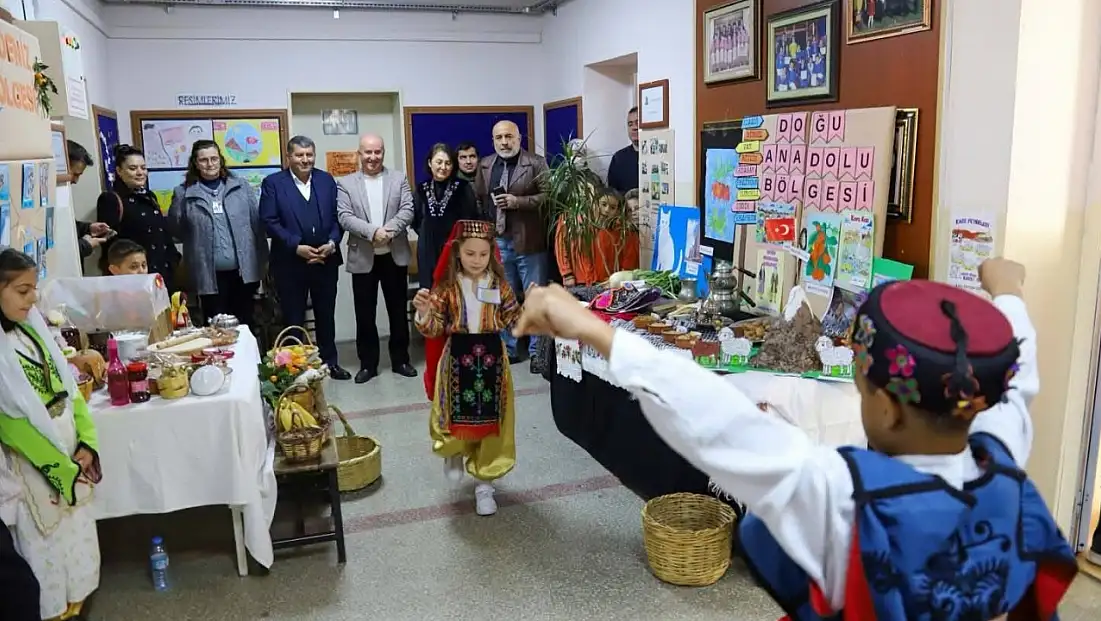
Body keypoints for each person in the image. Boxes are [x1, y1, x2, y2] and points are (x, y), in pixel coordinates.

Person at [514, 259, 1080, 619]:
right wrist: (1009, 291)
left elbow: (718, 418)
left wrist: (592, 328)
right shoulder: (1000, 458)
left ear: (883, 405)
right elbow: (1018, 377)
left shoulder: (846, 498)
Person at [0, 249, 103, 621]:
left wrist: (86, 441)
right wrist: (58, 467)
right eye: (23, 291)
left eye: (34, 289)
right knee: (47, 545)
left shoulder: (32, 330)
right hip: (35, 465)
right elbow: (7, 421)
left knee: (76, 538)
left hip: (69, 448)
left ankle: (78, 604)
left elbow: (68, 387)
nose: (33, 299)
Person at [413, 220, 521, 517]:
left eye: (483, 255)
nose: (477, 260)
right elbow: (434, 329)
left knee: (493, 422)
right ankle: (454, 452)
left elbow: (515, 320)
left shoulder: (500, 286)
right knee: (453, 413)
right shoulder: (447, 289)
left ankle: (485, 484)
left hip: (493, 361)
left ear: (492, 255)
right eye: (470, 254)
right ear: (458, 253)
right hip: (457, 359)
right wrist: (424, 313)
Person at [261, 136, 351, 380]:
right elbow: (269, 221)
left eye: (309, 155)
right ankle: (296, 368)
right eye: (299, 155)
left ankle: (329, 363)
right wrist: (296, 246)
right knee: (294, 317)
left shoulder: (326, 180)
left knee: (326, 315)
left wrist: (332, 243)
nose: (305, 160)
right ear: (289, 157)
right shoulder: (273, 184)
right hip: (290, 263)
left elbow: (337, 217)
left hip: (325, 260)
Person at [335, 134, 417, 383]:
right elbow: (344, 216)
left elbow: (408, 209)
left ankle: (401, 360)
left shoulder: (398, 178)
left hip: (395, 255)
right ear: (359, 154)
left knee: (397, 312)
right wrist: (373, 232)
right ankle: (368, 364)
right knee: (365, 314)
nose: (373, 157)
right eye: (367, 152)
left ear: (383, 152)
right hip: (363, 258)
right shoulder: (345, 183)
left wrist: (388, 231)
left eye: (377, 152)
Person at [473, 120, 550, 366]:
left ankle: (538, 351)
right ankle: (510, 347)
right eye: (499, 138)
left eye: (509, 137)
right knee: (504, 297)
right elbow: (479, 200)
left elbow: (550, 198)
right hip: (499, 242)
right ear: (493, 140)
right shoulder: (485, 165)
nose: (504, 142)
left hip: (530, 242)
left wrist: (518, 202)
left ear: (519, 138)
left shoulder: (536, 163)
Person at [168, 140, 268, 328]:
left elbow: (257, 226)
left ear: (221, 160)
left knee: (245, 323)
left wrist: (262, 263)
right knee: (215, 327)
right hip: (208, 275)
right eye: (203, 160)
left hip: (243, 273)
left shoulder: (241, 187)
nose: (210, 164)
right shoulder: (183, 193)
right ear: (195, 163)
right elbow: (176, 229)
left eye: (214, 158)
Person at [95, 145, 180, 291]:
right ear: (119, 171)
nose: (140, 173)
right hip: (135, 279)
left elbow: (162, 233)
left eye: (143, 167)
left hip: (162, 276)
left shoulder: (150, 196)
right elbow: (110, 245)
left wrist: (174, 260)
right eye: (133, 168)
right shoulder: (111, 199)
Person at [412, 143, 481, 291]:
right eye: (439, 162)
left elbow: (470, 218)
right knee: (430, 293)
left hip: (455, 249)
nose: (443, 167)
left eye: (448, 163)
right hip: (427, 249)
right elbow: (416, 219)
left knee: (455, 294)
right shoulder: (421, 188)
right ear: (430, 163)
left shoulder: (463, 187)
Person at [554, 189, 639, 287]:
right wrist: (567, 274)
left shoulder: (623, 230)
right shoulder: (573, 220)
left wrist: (619, 280)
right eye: (603, 205)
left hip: (607, 283)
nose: (607, 210)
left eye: (612, 207)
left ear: (618, 211)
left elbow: (629, 259)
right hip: (579, 281)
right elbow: (561, 247)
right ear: (595, 203)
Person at [606, 106, 640, 194]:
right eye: (630, 124)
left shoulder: (656, 156)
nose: (634, 127)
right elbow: (612, 192)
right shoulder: (618, 158)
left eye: (638, 123)